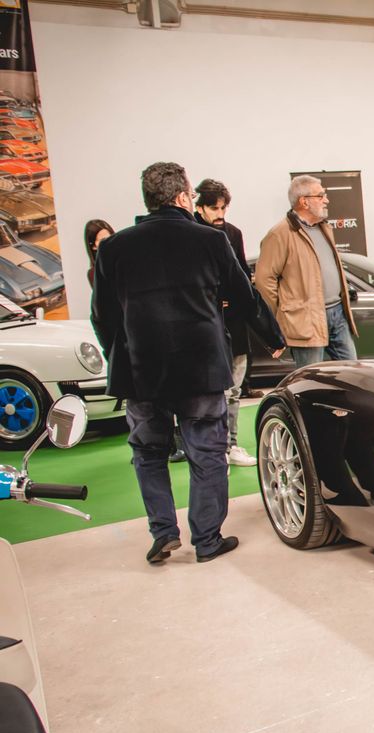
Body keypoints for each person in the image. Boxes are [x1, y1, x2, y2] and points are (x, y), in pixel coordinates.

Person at [90, 162, 257, 564]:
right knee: (207, 452)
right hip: (201, 368)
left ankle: (163, 532)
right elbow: (245, 298)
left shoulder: (114, 248)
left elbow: (102, 316)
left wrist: (121, 351)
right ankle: (207, 539)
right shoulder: (211, 240)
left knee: (148, 453)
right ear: (183, 197)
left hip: (141, 370)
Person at [194, 178, 284, 467]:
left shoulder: (233, 233)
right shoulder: (192, 233)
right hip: (205, 326)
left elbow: (243, 280)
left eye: (224, 208)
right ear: (199, 206)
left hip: (234, 324)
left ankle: (231, 445)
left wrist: (267, 332)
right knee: (213, 394)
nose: (220, 214)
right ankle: (215, 449)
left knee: (233, 391)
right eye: (214, 208)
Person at [256, 175, 358, 366]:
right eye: (320, 195)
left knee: (352, 372)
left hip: (337, 313)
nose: (326, 200)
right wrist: (284, 315)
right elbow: (264, 279)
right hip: (305, 321)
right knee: (311, 376)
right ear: (304, 202)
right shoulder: (280, 234)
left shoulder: (324, 228)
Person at [83, 219, 113, 287]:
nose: (110, 242)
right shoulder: (94, 274)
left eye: (111, 237)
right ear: (93, 246)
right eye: (103, 240)